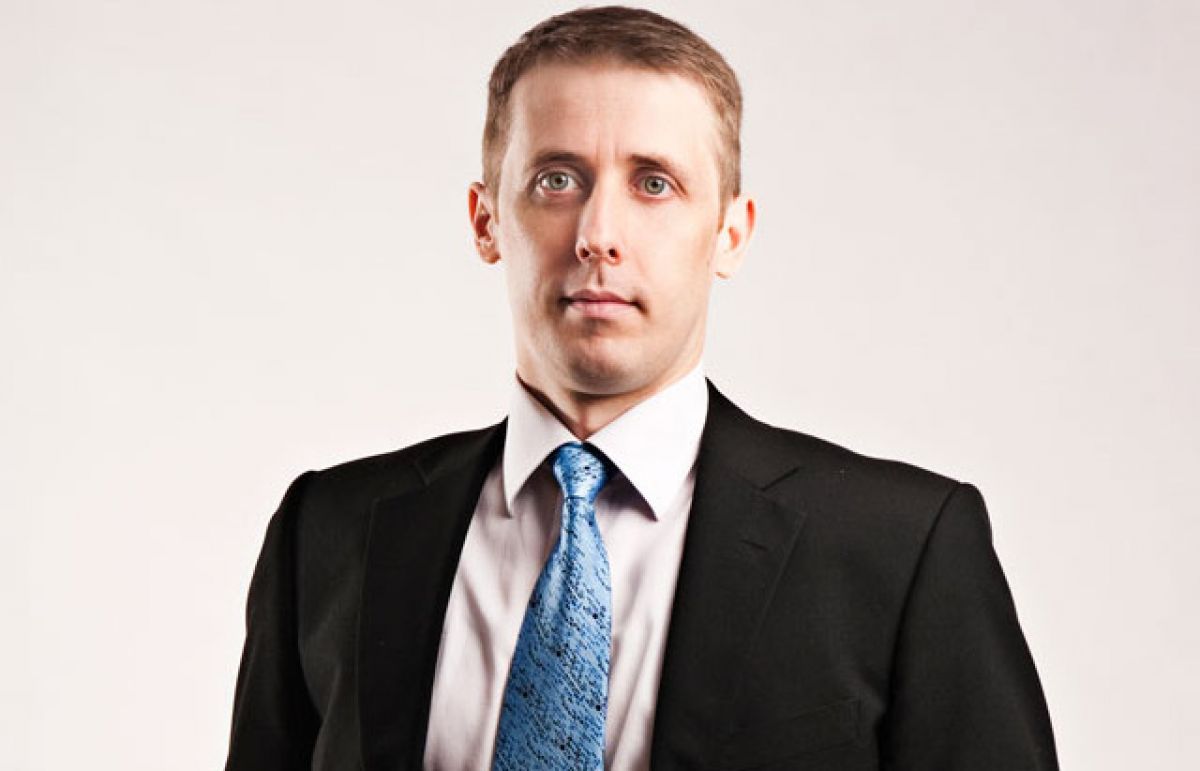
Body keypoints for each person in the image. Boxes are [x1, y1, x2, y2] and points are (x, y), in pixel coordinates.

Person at [224, 6, 1058, 770]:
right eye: (557, 179)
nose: (599, 234)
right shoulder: (329, 532)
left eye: (654, 182)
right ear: (485, 220)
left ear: (730, 233)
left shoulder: (902, 550)